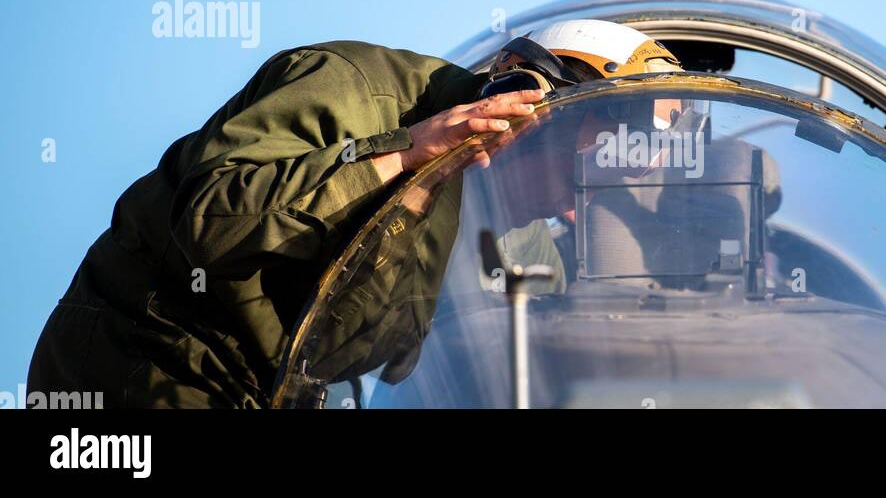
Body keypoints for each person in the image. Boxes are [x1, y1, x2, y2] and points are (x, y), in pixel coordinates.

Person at [27, 40, 542, 408]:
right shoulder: (352, 86)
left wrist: (411, 203)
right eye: (570, 166)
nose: (565, 210)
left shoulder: (486, 224)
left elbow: (337, 355)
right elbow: (213, 222)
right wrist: (400, 158)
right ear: (515, 91)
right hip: (143, 367)